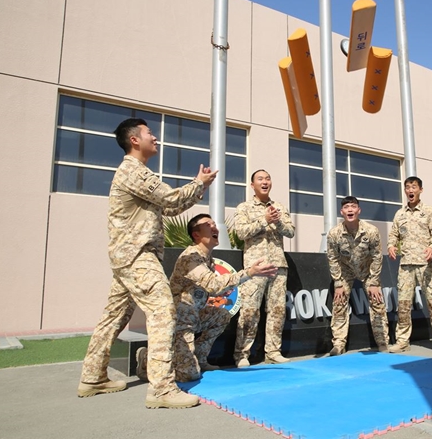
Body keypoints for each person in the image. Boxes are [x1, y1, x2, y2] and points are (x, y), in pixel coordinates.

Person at [77, 118, 217, 409]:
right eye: (149, 133)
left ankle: (92, 377)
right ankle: (162, 389)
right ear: (134, 140)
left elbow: (170, 206)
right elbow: (168, 196)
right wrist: (197, 183)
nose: (155, 137)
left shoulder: (138, 174)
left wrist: (198, 187)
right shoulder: (133, 171)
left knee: (114, 317)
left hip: (128, 257)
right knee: (162, 308)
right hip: (137, 256)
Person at [135, 214, 278, 382]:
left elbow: (213, 291)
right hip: (179, 320)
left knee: (221, 315)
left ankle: (200, 358)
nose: (214, 227)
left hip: (195, 314)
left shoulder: (207, 258)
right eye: (208, 224)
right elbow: (214, 285)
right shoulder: (191, 257)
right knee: (189, 375)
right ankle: (147, 358)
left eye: (214, 224)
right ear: (196, 235)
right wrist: (249, 273)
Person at [233, 169, 295, 368]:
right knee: (250, 310)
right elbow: (241, 232)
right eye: (260, 179)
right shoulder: (244, 207)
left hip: (278, 265)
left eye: (268, 178)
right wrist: (263, 220)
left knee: (277, 310)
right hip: (256, 267)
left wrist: (276, 221)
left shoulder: (279, 207)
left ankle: (273, 351)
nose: (265, 181)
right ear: (253, 185)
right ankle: (241, 354)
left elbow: (291, 232)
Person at [387, 176, 432, 354]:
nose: (410, 190)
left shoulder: (429, 211)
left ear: (420, 190)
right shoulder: (400, 214)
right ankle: (402, 341)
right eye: (407, 187)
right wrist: (391, 245)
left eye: (413, 187)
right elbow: (394, 234)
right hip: (406, 264)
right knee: (404, 304)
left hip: (425, 263)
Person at [326, 196, 389, 356]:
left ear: (358, 210)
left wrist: (374, 281)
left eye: (353, 207)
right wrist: (338, 283)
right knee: (339, 303)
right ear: (342, 212)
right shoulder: (334, 234)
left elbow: (377, 256)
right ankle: (338, 344)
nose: (350, 210)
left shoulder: (371, 231)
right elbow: (332, 258)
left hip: (367, 270)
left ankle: (382, 342)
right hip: (345, 270)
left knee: (377, 301)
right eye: (346, 207)